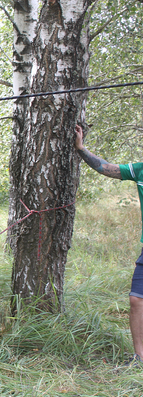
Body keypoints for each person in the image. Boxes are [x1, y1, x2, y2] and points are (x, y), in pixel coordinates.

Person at [75, 124, 143, 365]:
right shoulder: (140, 170)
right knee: (136, 300)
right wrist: (81, 148)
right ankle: (139, 357)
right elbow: (106, 168)